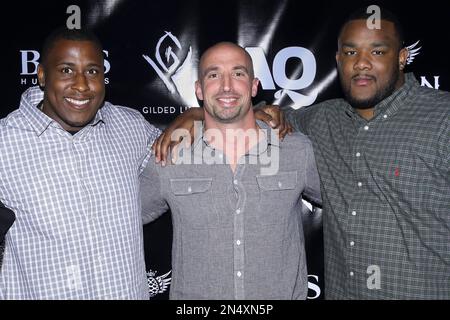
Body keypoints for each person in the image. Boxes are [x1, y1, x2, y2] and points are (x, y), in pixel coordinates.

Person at [153, 8, 450, 299]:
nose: (360, 64)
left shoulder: (443, 116)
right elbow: (247, 114)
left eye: (377, 51)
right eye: (350, 53)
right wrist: (196, 114)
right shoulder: (321, 120)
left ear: (401, 57)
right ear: (338, 60)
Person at [141, 42, 321, 299]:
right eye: (214, 75)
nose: (227, 85)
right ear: (199, 90)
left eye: (238, 73)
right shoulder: (170, 156)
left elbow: (345, 201)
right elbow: (118, 219)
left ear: (254, 85)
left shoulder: (297, 151)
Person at [0, 27, 160, 299]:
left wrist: (195, 118)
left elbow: (182, 157)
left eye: (93, 71)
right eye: (66, 70)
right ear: (41, 75)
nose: (82, 84)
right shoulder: (5, 143)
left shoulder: (130, 127)